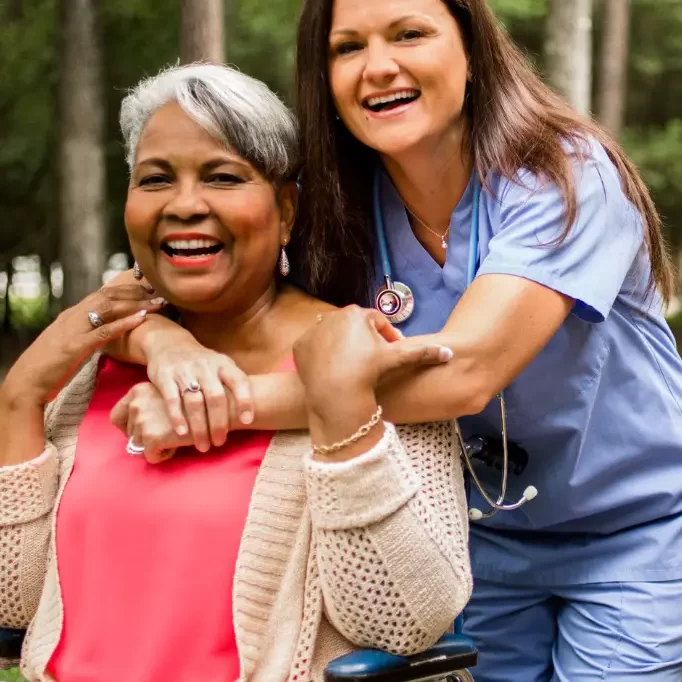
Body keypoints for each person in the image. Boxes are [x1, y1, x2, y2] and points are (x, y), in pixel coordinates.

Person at [106, 1, 682, 681]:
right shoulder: (334, 210)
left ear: (472, 52)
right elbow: (156, 294)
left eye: (409, 34)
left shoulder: (565, 173)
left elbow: (462, 372)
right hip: (475, 548)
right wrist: (168, 348)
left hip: (635, 533)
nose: (378, 67)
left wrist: (217, 406)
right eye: (348, 48)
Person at [0, 63, 474, 682]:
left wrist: (344, 417)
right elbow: (13, 603)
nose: (185, 205)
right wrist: (19, 400)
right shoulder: (92, 368)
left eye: (223, 177)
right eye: (155, 179)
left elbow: (403, 623)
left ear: (285, 210)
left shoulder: (362, 355)